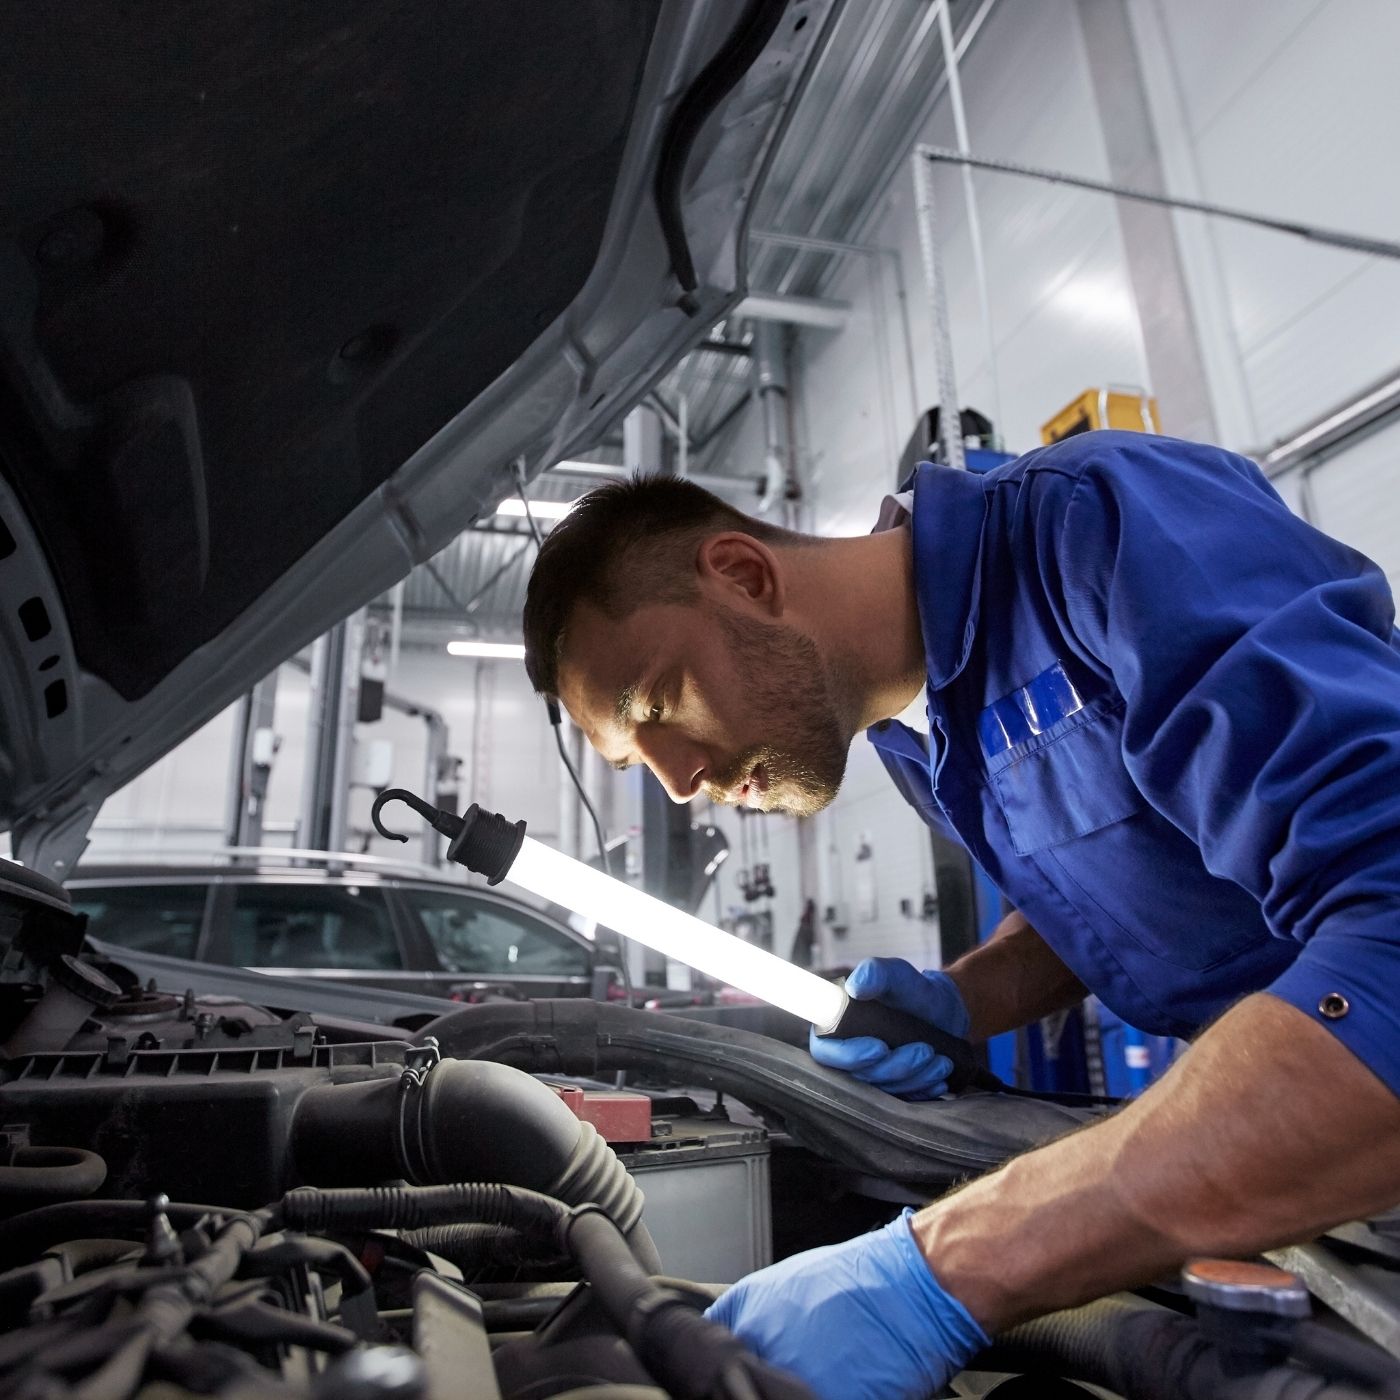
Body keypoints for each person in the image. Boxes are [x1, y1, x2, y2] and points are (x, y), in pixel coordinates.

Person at [521, 431, 1400, 1400]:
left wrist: (940, 1270)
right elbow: (1104, 899)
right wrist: (959, 999)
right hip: (1295, 1131)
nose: (678, 782)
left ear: (740, 573)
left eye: (656, 702)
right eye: (634, 761)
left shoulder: (1091, 522)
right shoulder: (911, 732)